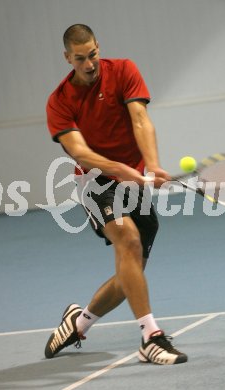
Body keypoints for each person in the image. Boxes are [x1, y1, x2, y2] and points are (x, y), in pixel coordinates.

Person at [44, 24, 187, 365]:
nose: (89, 64)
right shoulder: (59, 101)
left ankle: (78, 323)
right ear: (68, 58)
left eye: (92, 54)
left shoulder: (123, 70)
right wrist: (123, 171)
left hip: (134, 179)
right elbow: (81, 153)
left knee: (130, 272)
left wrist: (151, 165)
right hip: (96, 182)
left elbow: (140, 119)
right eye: (80, 59)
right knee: (129, 241)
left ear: (98, 48)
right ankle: (151, 337)